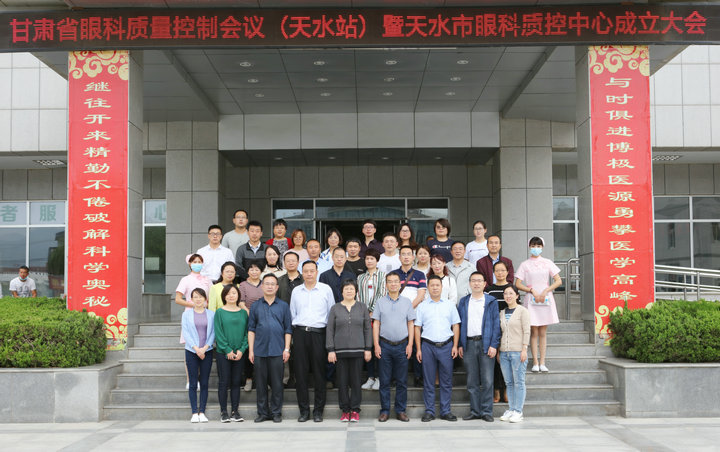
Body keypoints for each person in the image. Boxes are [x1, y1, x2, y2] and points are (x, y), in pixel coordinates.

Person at [290, 261, 336, 423]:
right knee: (300, 374)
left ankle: (318, 411)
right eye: (306, 271)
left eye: (312, 271)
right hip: (300, 333)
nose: (309, 274)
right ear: (302, 273)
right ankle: (304, 411)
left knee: (319, 373)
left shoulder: (326, 289)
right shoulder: (296, 291)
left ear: (317, 272)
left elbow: (331, 314)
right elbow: (292, 313)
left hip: (319, 334)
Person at [415, 275, 461, 422]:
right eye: (432, 285)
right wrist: (419, 349)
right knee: (428, 380)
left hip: (446, 346)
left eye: (437, 285)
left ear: (442, 287)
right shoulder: (422, 306)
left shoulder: (449, 305)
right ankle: (429, 411)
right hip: (427, 346)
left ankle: (445, 411)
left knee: (446, 381)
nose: (435, 288)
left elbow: (456, 325)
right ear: (428, 287)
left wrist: (455, 345)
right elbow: (417, 328)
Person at [248, 274, 293, 423]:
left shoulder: (283, 306)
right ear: (262, 286)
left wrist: (286, 349)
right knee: (260, 384)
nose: (269, 286)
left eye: (272, 284)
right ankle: (262, 413)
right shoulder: (255, 306)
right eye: (267, 283)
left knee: (277, 384)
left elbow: (288, 329)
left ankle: (276, 412)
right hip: (259, 350)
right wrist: (251, 350)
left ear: (277, 287)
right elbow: (251, 329)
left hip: (277, 350)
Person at [457, 272, 501, 422]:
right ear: (469, 283)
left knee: (487, 380)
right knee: (472, 380)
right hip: (468, 344)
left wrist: (494, 345)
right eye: (473, 281)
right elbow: (459, 324)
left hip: (486, 343)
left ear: (484, 283)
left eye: (479, 281)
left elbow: (496, 324)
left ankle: (487, 411)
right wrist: (460, 344)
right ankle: (475, 411)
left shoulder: (491, 301)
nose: (476, 283)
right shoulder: (464, 302)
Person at [326, 280, 372, 422]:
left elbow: (367, 329)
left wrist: (368, 348)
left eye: (351, 289)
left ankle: (355, 409)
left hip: (358, 350)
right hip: (340, 351)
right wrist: (330, 349)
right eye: (346, 289)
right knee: (342, 381)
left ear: (356, 291)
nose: (349, 291)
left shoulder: (362, 307)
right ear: (342, 291)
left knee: (356, 381)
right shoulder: (335, 308)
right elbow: (330, 329)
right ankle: (345, 410)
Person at [514, 237, 562, 373]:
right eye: (533, 245)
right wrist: (531, 290)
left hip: (545, 299)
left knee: (543, 331)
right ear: (529, 247)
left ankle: (542, 362)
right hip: (532, 298)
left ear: (542, 247)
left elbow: (558, 281)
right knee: (534, 331)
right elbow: (517, 283)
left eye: (538, 246)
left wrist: (547, 290)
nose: (536, 248)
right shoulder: (525, 264)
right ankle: (535, 361)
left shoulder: (547, 262)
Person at [372, 272, 415, 422]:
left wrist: (410, 344)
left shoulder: (407, 302)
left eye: (395, 281)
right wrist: (376, 345)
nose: (393, 284)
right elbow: (376, 324)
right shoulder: (380, 302)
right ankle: (384, 411)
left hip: (402, 345)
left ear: (400, 283)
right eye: (390, 281)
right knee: (384, 381)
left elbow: (411, 323)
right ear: (386, 284)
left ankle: (400, 410)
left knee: (402, 381)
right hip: (384, 345)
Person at [175, 254, 213, 390]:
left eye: (200, 262)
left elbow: (211, 297)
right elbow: (178, 299)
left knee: (204, 343)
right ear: (190, 264)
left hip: (205, 315)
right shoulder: (185, 279)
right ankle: (190, 379)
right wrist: (194, 304)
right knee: (190, 347)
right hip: (191, 315)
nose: (197, 264)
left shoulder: (207, 280)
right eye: (195, 261)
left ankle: (202, 379)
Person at [213, 284, 249, 423]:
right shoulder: (219, 312)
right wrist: (227, 350)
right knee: (224, 381)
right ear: (224, 296)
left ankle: (235, 411)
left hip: (240, 353)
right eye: (228, 293)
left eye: (234, 293)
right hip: (223, 353)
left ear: (238, 295)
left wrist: (241, 350)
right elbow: (218, 333)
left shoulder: (243, 313)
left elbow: (247, 333)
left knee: (236, 382)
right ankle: (223, 412)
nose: (231, 296)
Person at [393, 245, 427, 387]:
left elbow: (421, 295)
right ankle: (397, 378)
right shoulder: (393, 274)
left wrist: (407, 309)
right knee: (399, 346)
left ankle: (418, 376)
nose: (406, 257)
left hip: (415, 315)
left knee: (416, 346)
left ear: (413, 257)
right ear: (399, 257)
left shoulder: (420, 274)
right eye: (403, 254)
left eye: (409, 254)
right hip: (397, 315)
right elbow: (391, 293)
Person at [181, 288, 215, 423]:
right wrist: (196, 349)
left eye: (201, 297)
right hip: (191, 351)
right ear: (191, 299)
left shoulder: (211, 314)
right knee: (193, 382)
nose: (198, 299)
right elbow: (186, 333)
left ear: (205, 299)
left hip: (207, 351)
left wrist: (205, 348)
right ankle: (194, 412)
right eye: (195, 297)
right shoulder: (186, 315)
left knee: (205, 382)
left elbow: (213, 333)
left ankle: (202, 412)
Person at [498, 285, 531, 423]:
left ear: (517, 296)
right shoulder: (502, 312)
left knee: (519, 382)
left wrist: (524, 349)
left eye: (511, 293)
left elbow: (527, 331)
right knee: (509, 382)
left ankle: (518, 411)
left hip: (518, 352)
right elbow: (501, 332)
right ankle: (511, 409)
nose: (508, 296)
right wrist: (499, 351)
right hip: (504, 353)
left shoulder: (522, 311)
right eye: (505, 293)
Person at [356, 248, 386, 391]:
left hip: (378, 317)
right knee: (368, 346)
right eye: (367, 259)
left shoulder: (383, 276)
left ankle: (379, 377)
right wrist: (364, 311)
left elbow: (382, 294)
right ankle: (370, 377)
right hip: (364, 317)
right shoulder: (360, 277)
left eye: (372, 259)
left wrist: (372, 311)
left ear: (377, 260)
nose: (369, 261)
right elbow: (358, 296)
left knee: (377, 346)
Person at [484, 260, 513, 403]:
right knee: (494, 362)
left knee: (507, 360)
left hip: (509, 329)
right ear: (493, 273)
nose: (500, 273)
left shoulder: (511, 289)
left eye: (503, 270)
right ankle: (496, 390)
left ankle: (506, 390)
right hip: (494, 328)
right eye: (497, 270)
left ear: (507, 272)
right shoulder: (489, 290)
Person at [239, 262, 264, 392]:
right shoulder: (243, 285)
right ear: (248, 272)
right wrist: (251, 313)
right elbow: (241, 302)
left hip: (264, 320)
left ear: (261, 271)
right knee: (250, 348)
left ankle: (263, 379)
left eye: (257, 269)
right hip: (249, 319)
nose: (254, 272)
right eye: (251, 269)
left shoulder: (265, 283)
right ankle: (248, 378)